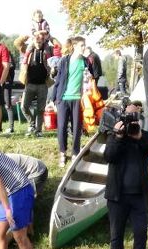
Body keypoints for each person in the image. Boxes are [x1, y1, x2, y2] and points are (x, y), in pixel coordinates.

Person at [105, 102, 148, 249]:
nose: (131, 120)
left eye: (134, 116)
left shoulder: (142, 135)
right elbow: (109, 156)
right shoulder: (115, 135)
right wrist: (118, 137)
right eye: (128, 116)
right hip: (117, 195)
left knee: (141, 232)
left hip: (138, 195)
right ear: (122, 117)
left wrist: (140, 137)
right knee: (116, 234)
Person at [50, 37, 85, 167]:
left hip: (77, 99)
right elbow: (58, 81)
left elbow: (93, 77)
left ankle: (75, 152)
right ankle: (63, 153)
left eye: (84, 45)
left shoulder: (85, 61)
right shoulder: (65, 60)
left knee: (76, 128)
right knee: (62, 127)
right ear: (74, 46)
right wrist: (53, 99)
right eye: (81, 45)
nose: (83, 48)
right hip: (63, 98)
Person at [17, 31, 53, 136]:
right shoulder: (28, 49)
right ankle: (32, 123)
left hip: (43, 84)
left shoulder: (48, 50)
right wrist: (26, 36)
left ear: (43, 40)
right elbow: (17, 43)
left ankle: (38, 130)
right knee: (24, 107)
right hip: (29, 84)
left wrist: (49, 36)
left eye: (40, 39)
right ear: (33, 40)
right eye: (36, 39)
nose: (38, 41)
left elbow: (59, 46)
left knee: (41, 109)